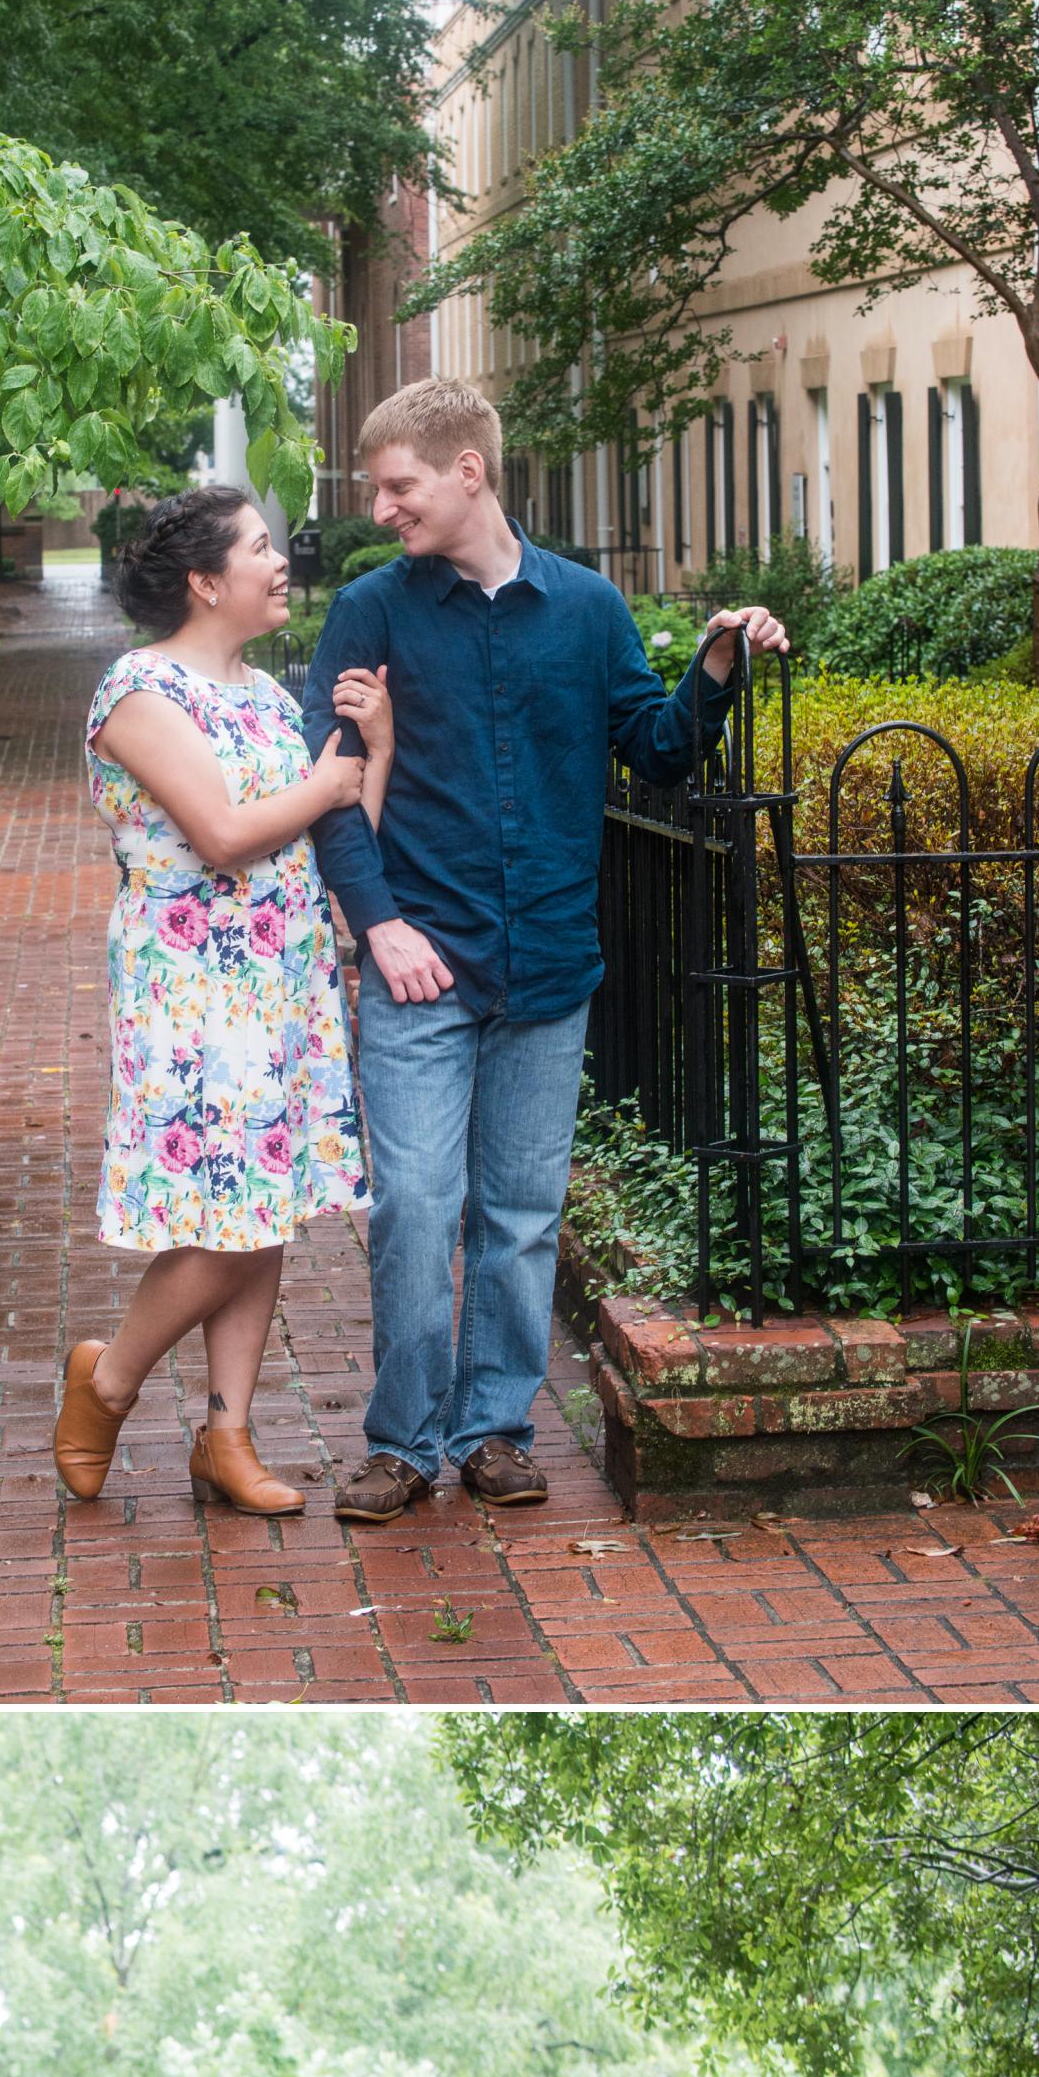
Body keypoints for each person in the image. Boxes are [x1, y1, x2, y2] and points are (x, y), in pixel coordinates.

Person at [303, 378, 791, 1525]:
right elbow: (327, 789)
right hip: (420, 964)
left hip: (548, 968)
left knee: (519, 1217)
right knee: (416, 1208)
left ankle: (494, 1432)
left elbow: (656, 753)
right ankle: (401, 1443)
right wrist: (377, 924)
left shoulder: (584, 609)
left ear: (466, 471)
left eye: (398, 484)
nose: (381, 507)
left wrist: (715, 662)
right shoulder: (371, 612)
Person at [55, 481, 384, 1526]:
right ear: (204, 580)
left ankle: (226, 1436)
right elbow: (226, 833)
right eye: (256, 548)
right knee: (224, 1208)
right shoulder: (138, 690)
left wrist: (369, 753)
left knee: (264, 1203)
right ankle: (106, 1379)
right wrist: (330, 784)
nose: (279, 561)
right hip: (192, 986)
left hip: (283, 974)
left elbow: (332, 830)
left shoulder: (265, 695)